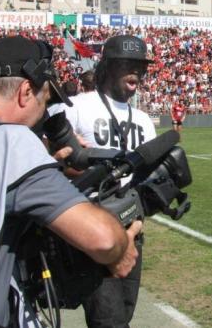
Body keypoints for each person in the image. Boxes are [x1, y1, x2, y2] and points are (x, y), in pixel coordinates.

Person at [0, 36, 141, 328]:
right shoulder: (11, 142)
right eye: (45, 101)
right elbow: (102, 239)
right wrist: (122, 247)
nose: (43, 115)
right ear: (25, 92)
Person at [56, 34, 156, 328]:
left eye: (141, 66)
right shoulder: (75, 107)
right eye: (128, 64)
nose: (136, 71)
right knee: (108, 321)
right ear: (108, 67)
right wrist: (73, 163)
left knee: (123, 313)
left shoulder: (144, 119)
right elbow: (50, 156)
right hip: (94, 226)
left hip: (132, 228)